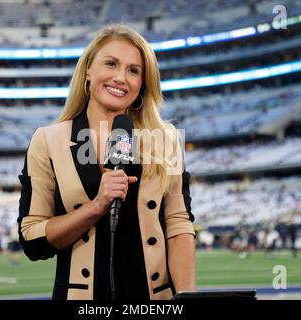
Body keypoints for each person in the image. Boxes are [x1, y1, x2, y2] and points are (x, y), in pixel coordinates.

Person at [18, 24, 196, 300]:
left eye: (133, 70)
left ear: (143, 83)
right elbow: (32, 239)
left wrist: (187, 297)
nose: (120, 78)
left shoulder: (166, 139)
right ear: (88, 69)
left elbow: (178, 225)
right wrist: (96, 207)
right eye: (111, 64)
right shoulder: (47, 140)